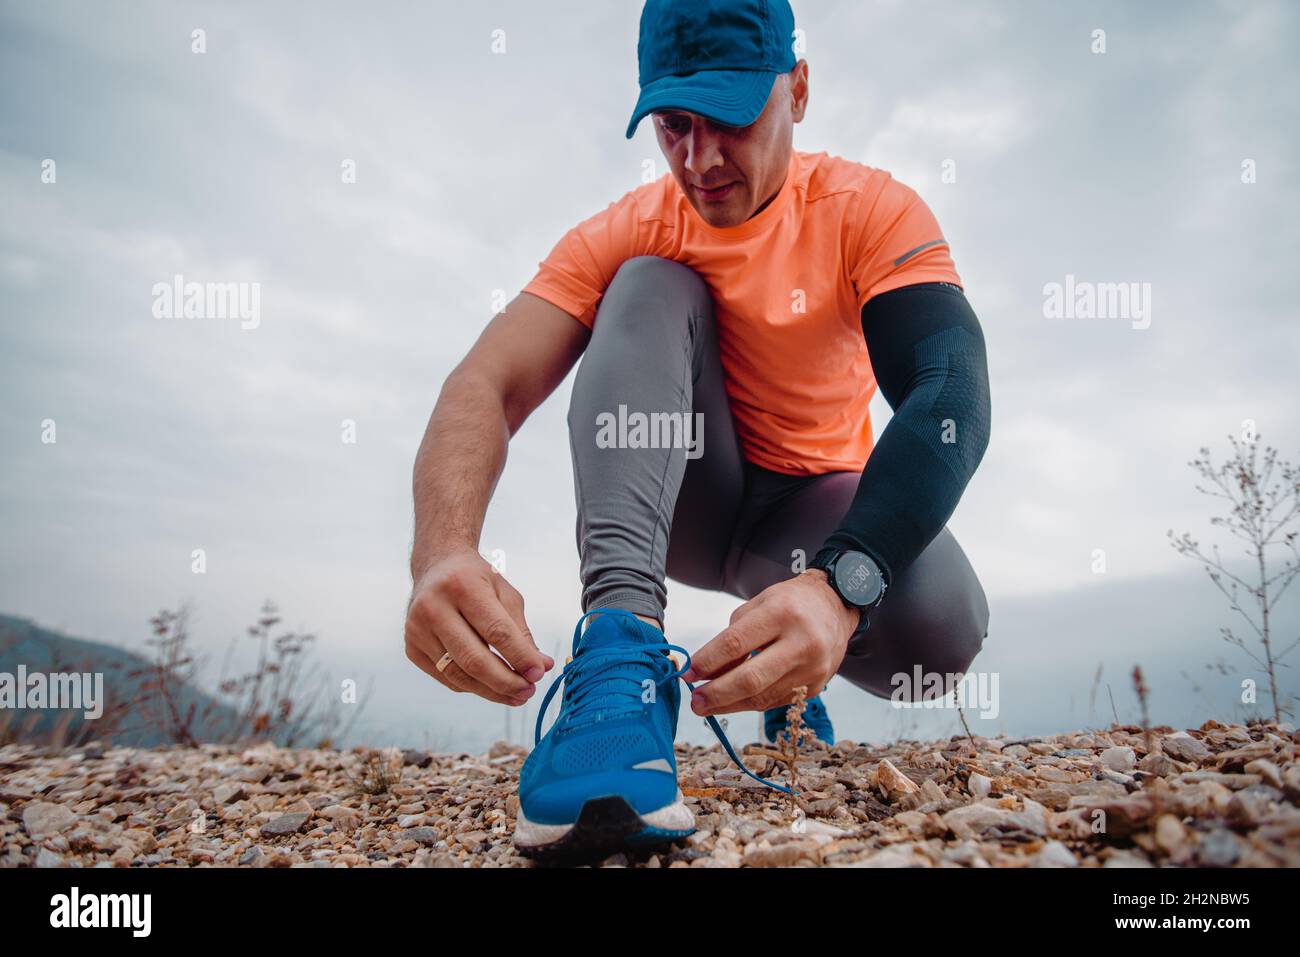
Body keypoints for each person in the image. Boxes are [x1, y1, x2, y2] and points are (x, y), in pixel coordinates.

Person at [405, 0, 992, 861]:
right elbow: (483, 382)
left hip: (808, 517)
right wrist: (441, 551)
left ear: (797, 91)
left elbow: (951, 391)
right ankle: (617, 663)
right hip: (683, 495)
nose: (700, 159)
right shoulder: (631, 224)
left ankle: (787, 670)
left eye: (731, 118)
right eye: (674, 124)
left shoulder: (870, 209)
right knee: (647, 280)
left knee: (942, 629)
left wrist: (842, 585)